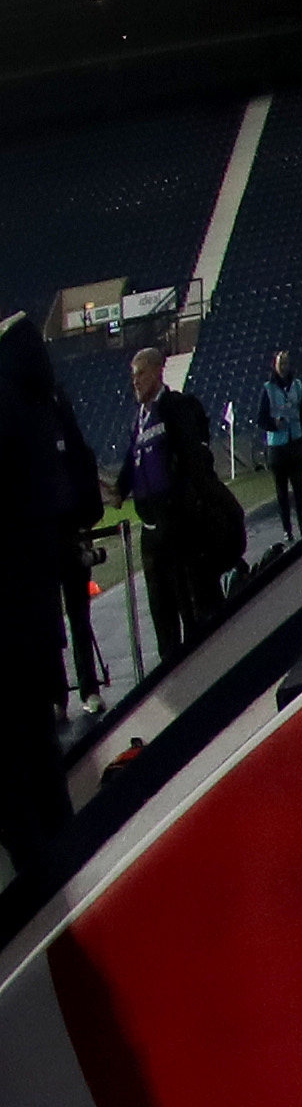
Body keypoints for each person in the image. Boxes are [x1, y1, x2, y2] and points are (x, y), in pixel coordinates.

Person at [0, 318, 93, 883]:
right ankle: (69, 886)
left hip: (6, 622)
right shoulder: (39, 404)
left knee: (14, 775)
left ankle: (45, 902)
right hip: (31, 614)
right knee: (39, 760)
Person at [118, 351, 229, 667]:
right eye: (133, 374)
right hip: (152, 530)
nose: (135, 381)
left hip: (179, 526)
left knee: (190, 603)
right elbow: (130, 467)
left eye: (140, 373)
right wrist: (113, 489)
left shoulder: (175, 408)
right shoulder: (137, 421)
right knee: (161, 608)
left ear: (156, 372)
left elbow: (193, 461)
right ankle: (170, 664)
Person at [249, 344, 302, 550]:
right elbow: (260, 418)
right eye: (281, 363)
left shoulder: (297, 385)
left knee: (298, 487)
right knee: (282, 492)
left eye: (286, 363)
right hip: (277, 447)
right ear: (275, 365)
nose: (284, 367)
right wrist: (273, 424)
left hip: (294, 441)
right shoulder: (268, 389)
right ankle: (287, 528)